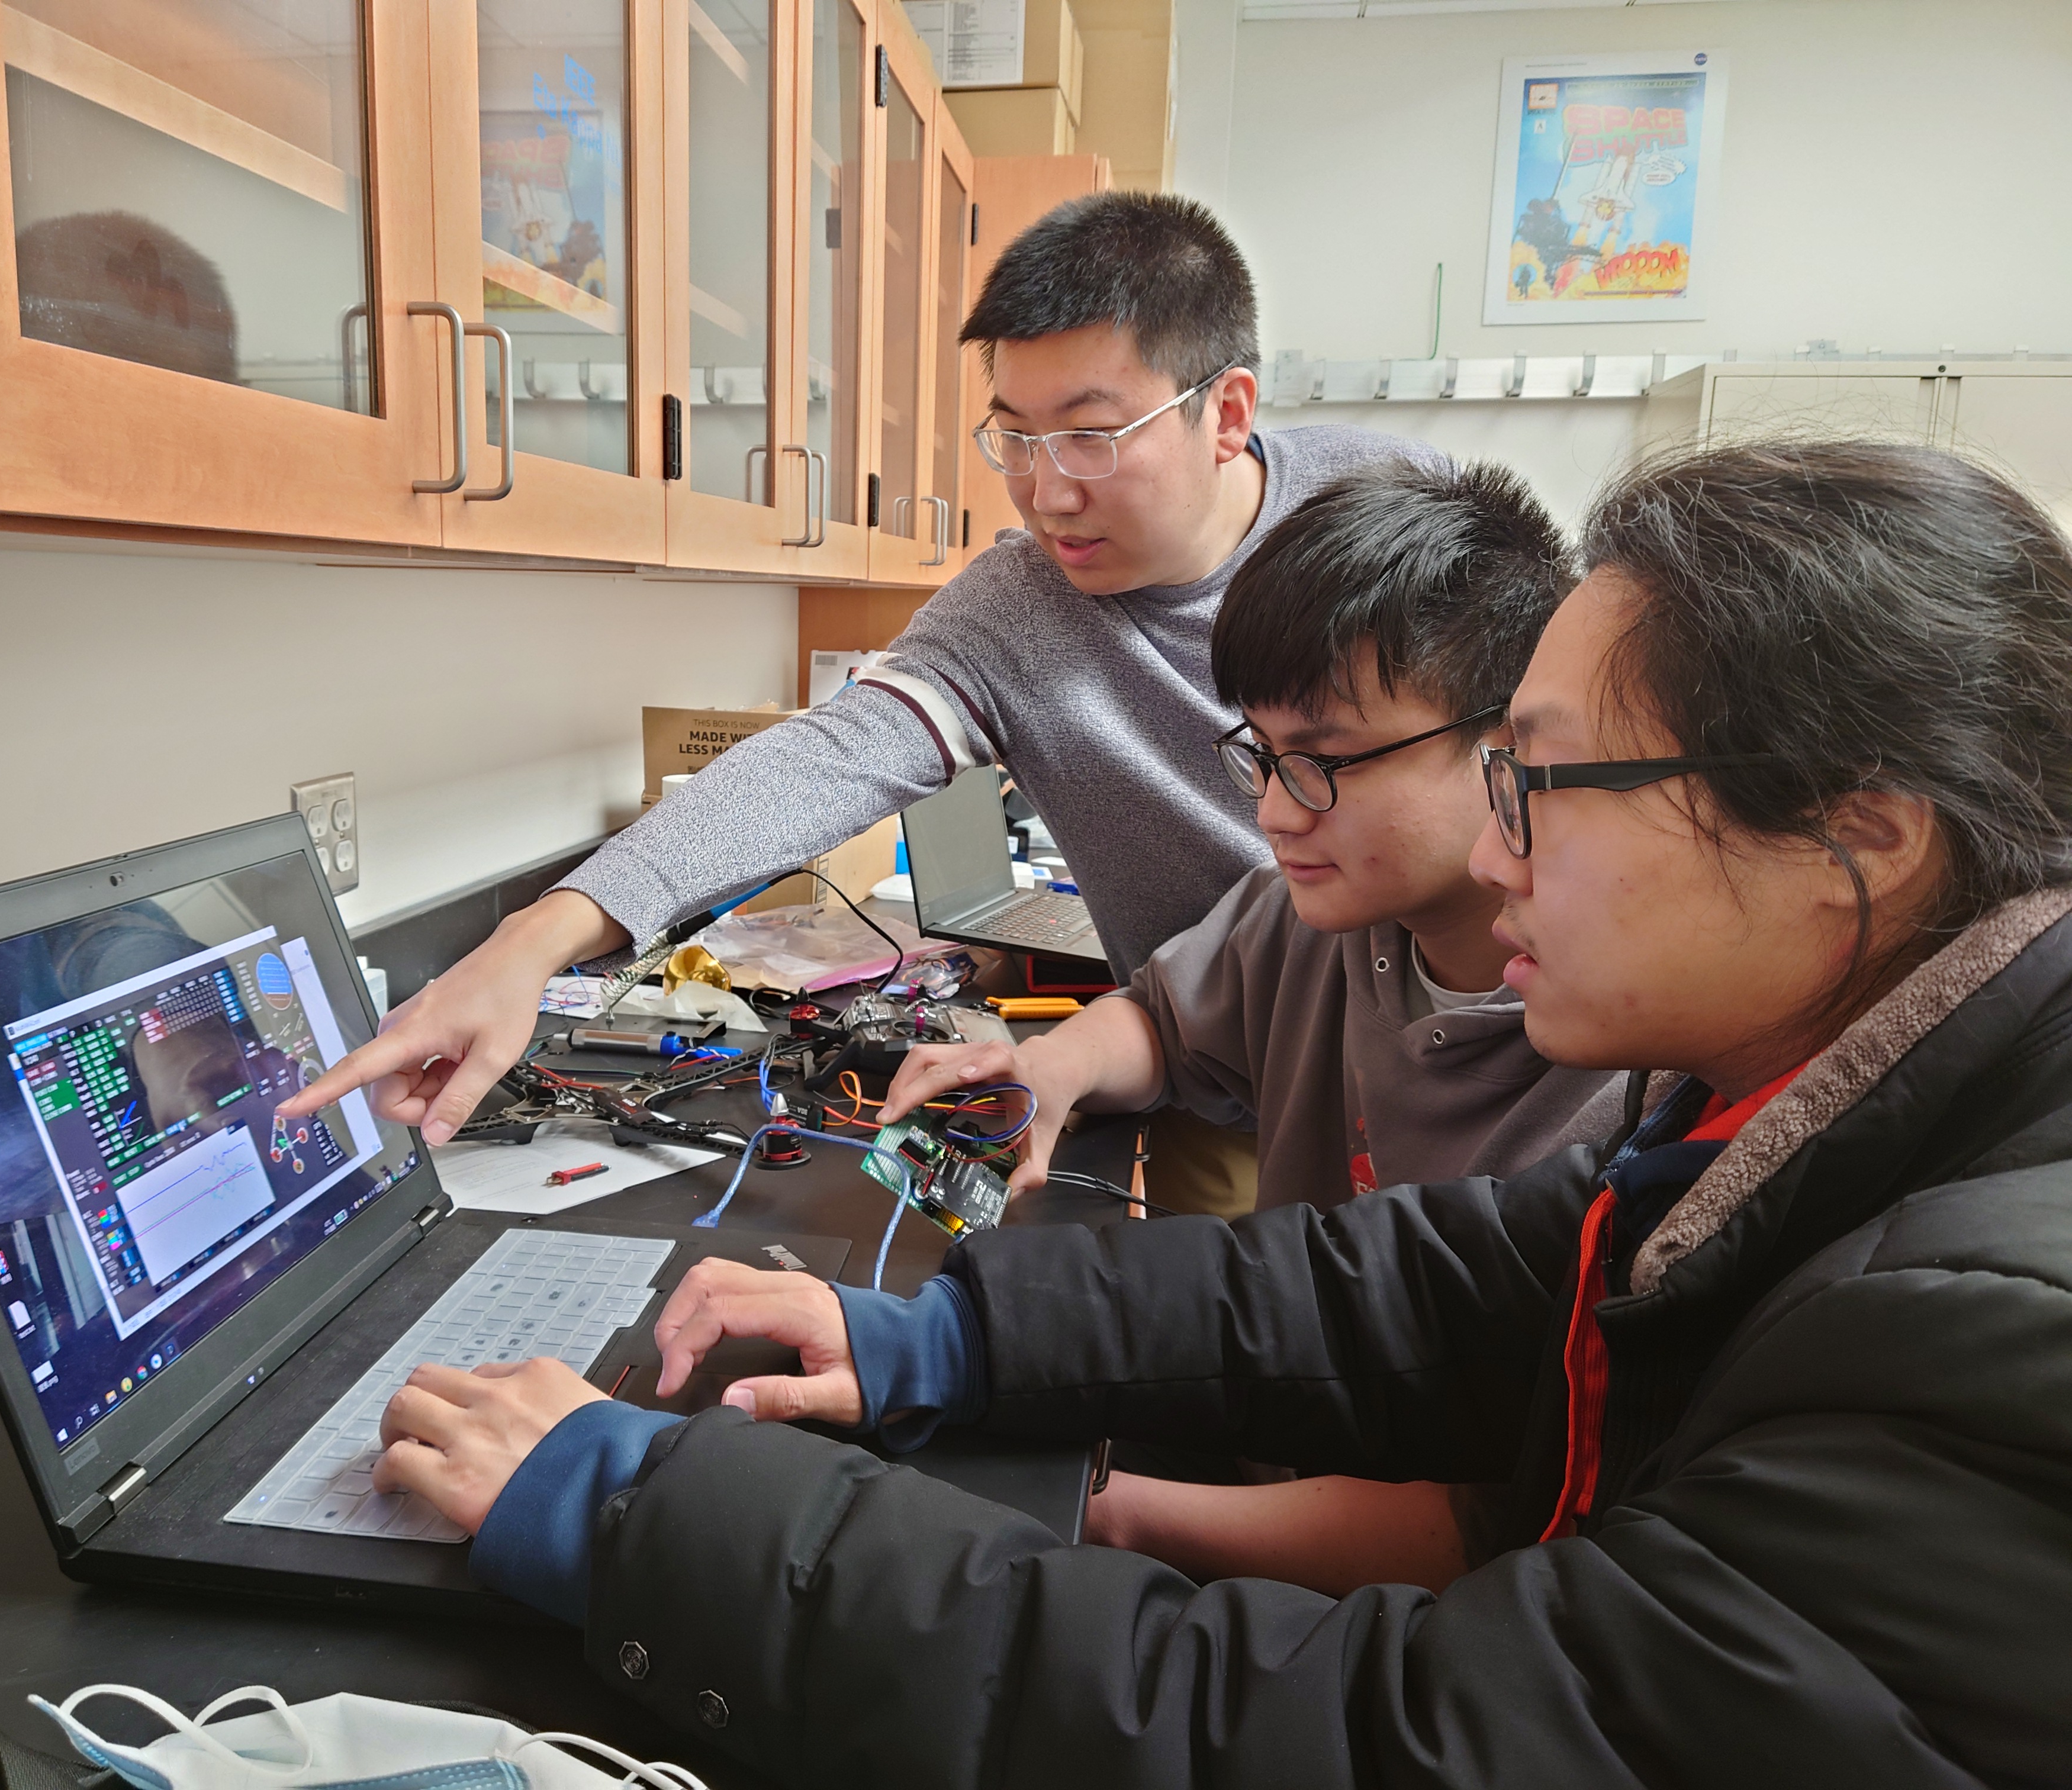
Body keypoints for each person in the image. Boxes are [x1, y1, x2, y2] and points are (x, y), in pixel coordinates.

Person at [366, 440, 2072, 1783]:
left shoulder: (1991, 1356)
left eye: (1541, 786)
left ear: (1860, 840)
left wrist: (644, 1512)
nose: (1496, 854)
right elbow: (1402, 1286)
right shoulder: (1808, 1128)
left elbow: (1378, 1741)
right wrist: (937, 1342)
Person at [283, 195, 1442, 1192]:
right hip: (1214, 1072)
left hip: (1459, 1055)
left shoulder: (1393, 518)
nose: (1046, 493)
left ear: (1228, 411)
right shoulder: (1017, 611)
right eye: (1014, 438)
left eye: (1090, 439)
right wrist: (529, 948)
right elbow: (817, 764)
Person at [873, 456, 1623, 1592]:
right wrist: (1050, 1071)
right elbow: (1169, 1021)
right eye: (1263, 756)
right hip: (1277, 1447)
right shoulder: (1314, 915)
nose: (1274, 811)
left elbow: (1483, 1524)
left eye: (1324, 763)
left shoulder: (1619, 1063)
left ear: (1510, 743)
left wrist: (1108, 1508)